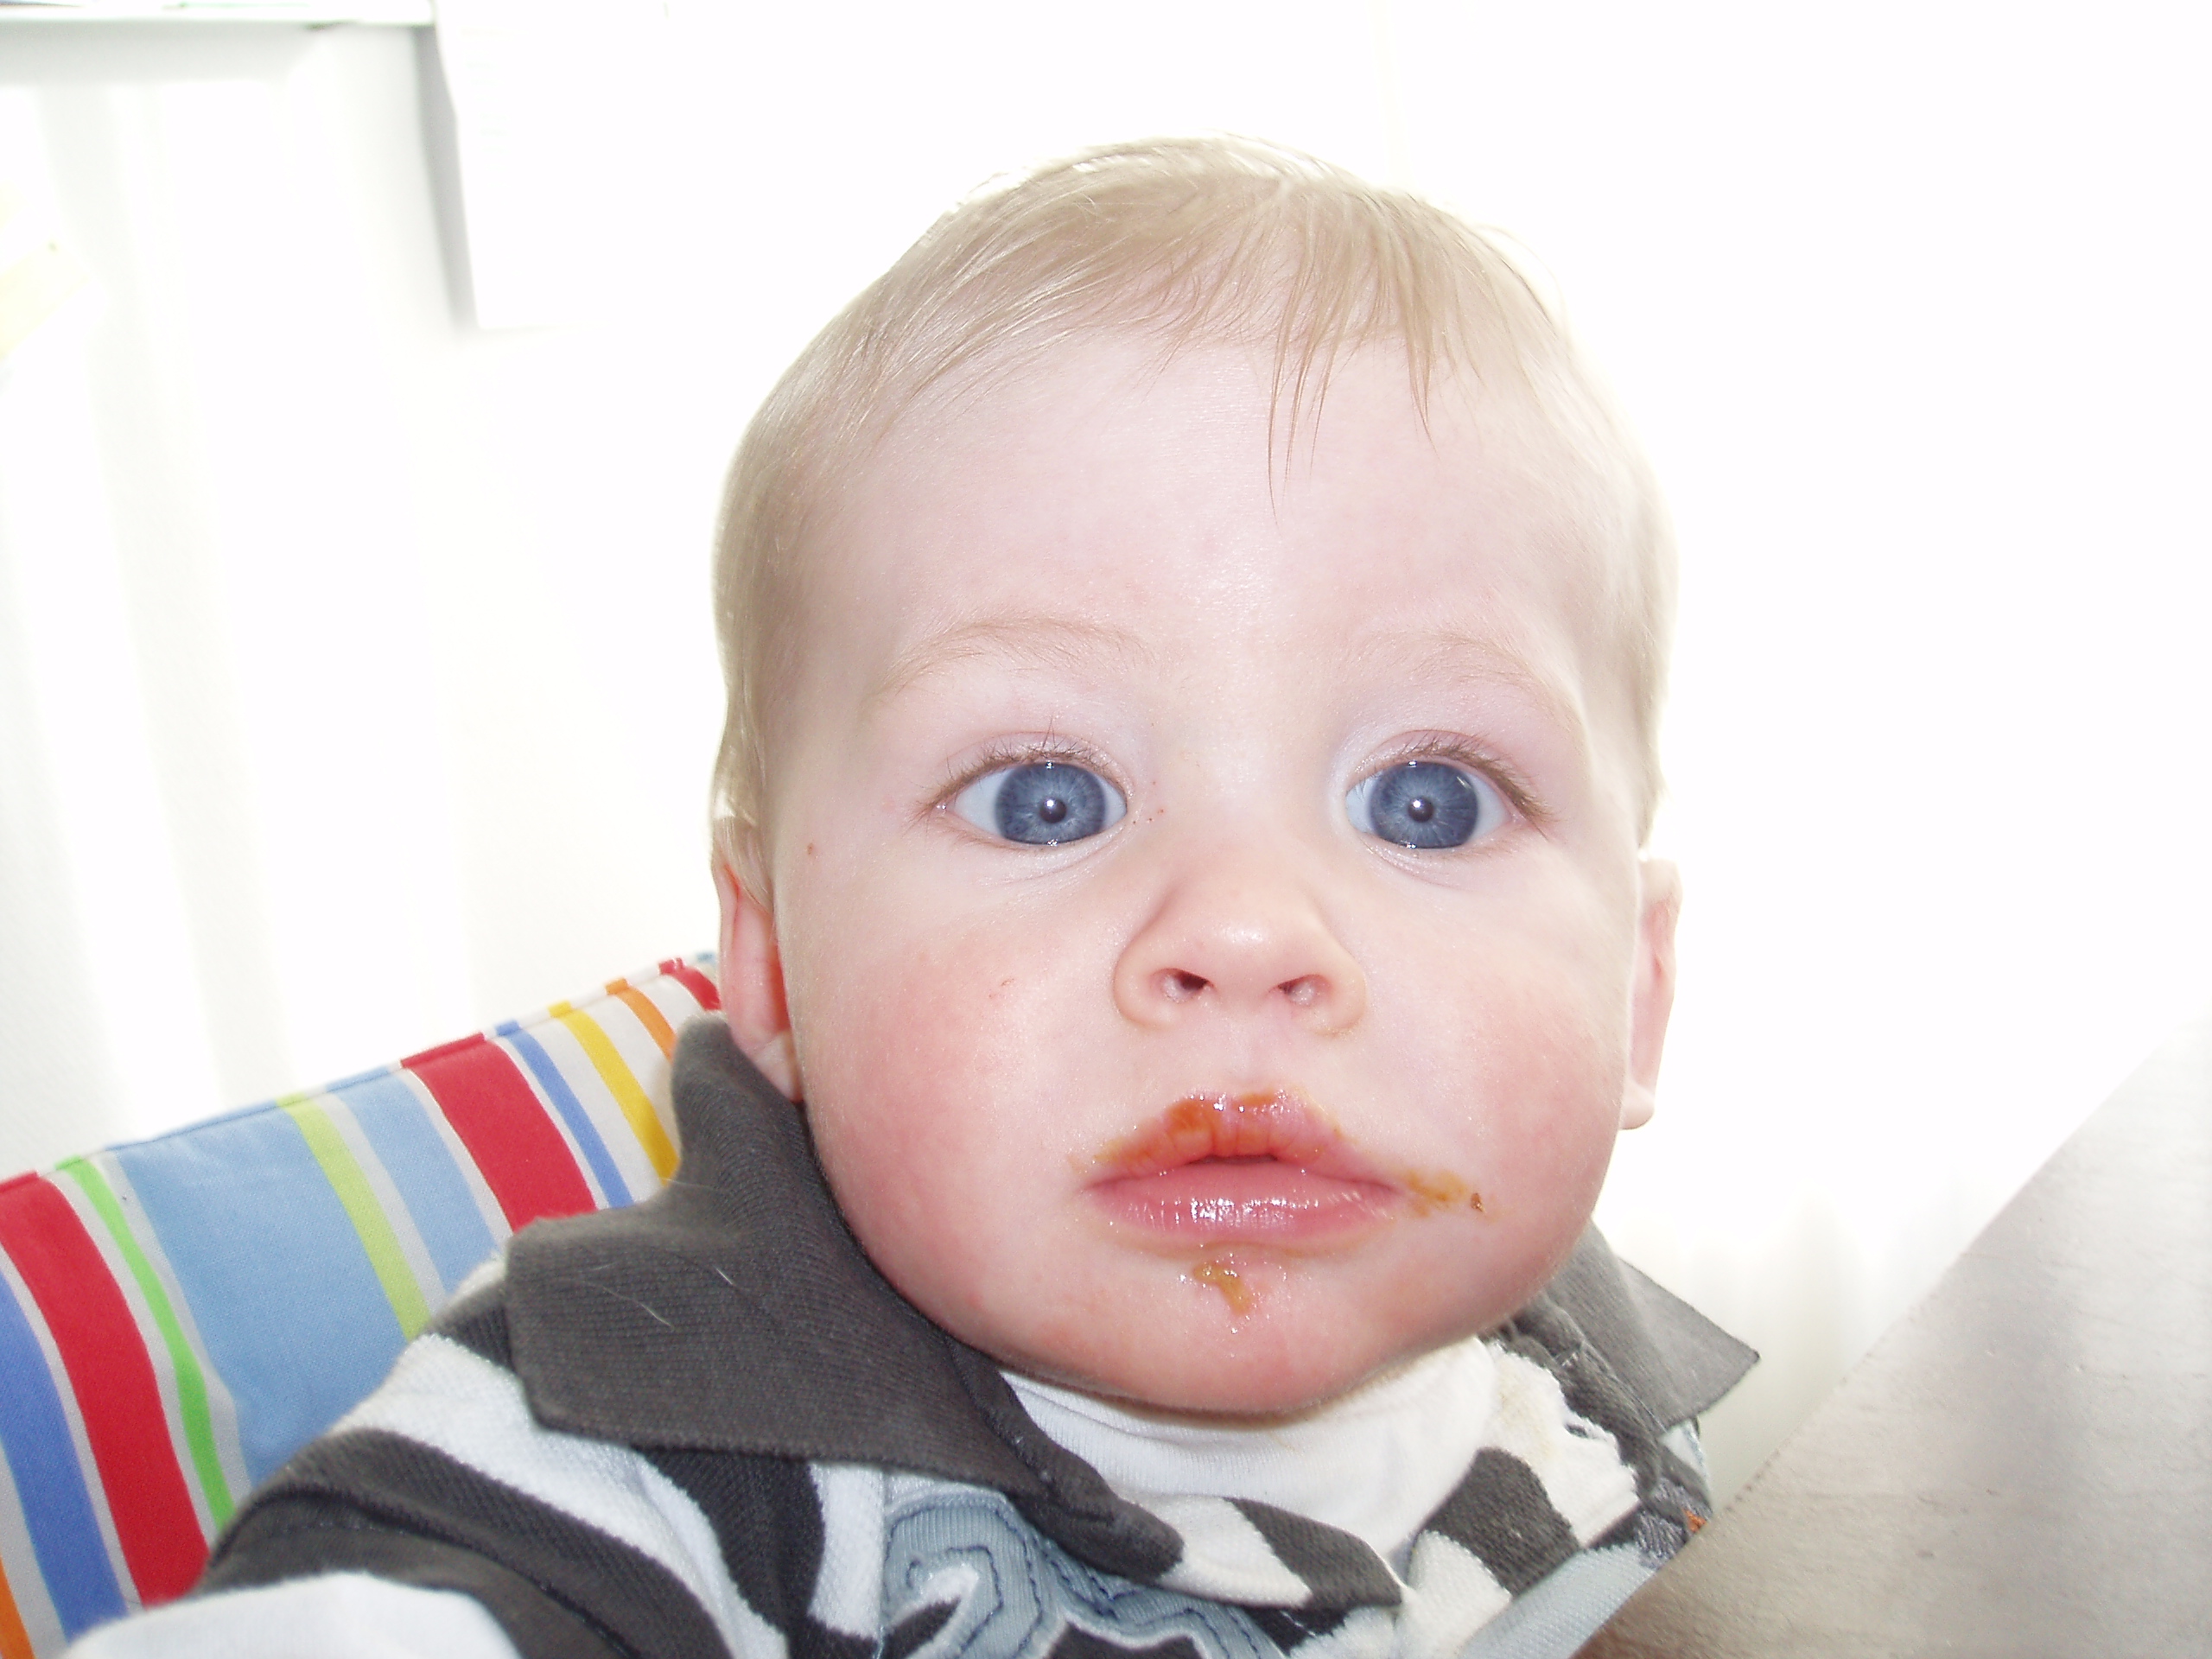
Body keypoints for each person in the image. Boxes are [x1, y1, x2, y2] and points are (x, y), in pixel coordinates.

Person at [76, 136, 1752, 1659]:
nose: (1247, 933)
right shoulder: (633, 1449)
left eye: (1426, 802)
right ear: (771, 967)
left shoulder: (1571, 1361)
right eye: (1045, 798)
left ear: (1635, 992)